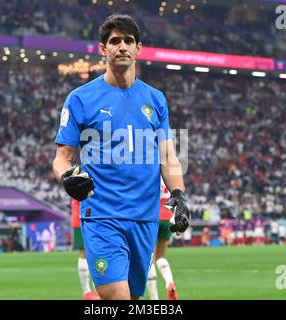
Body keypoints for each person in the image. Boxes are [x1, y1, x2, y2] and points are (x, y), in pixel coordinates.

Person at [52, 14, 190, 300]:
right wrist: (67, 177)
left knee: (134, 297)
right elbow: (61, 157)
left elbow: (168, 157)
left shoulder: (155, 100)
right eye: (115, 41)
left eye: (129, 40)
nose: (122, 47)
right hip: (101, 214)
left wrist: (179, 194)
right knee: (117, 297)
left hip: (144, 217)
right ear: (103, 49)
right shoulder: (80, 98)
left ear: (139, 48)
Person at [147, 181, 179, 300]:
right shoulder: (167, 177)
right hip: (168, 217)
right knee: (160, 256)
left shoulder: (152, 174)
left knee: (150, 258)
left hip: (153, 216)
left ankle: (154, 298)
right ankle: (169, 282)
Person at [71, 199, 100, 300]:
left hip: (79, 216)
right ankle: (93, 291)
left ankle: (87, 291)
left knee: (83, 254)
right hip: (93, 217)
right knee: (97, 253)